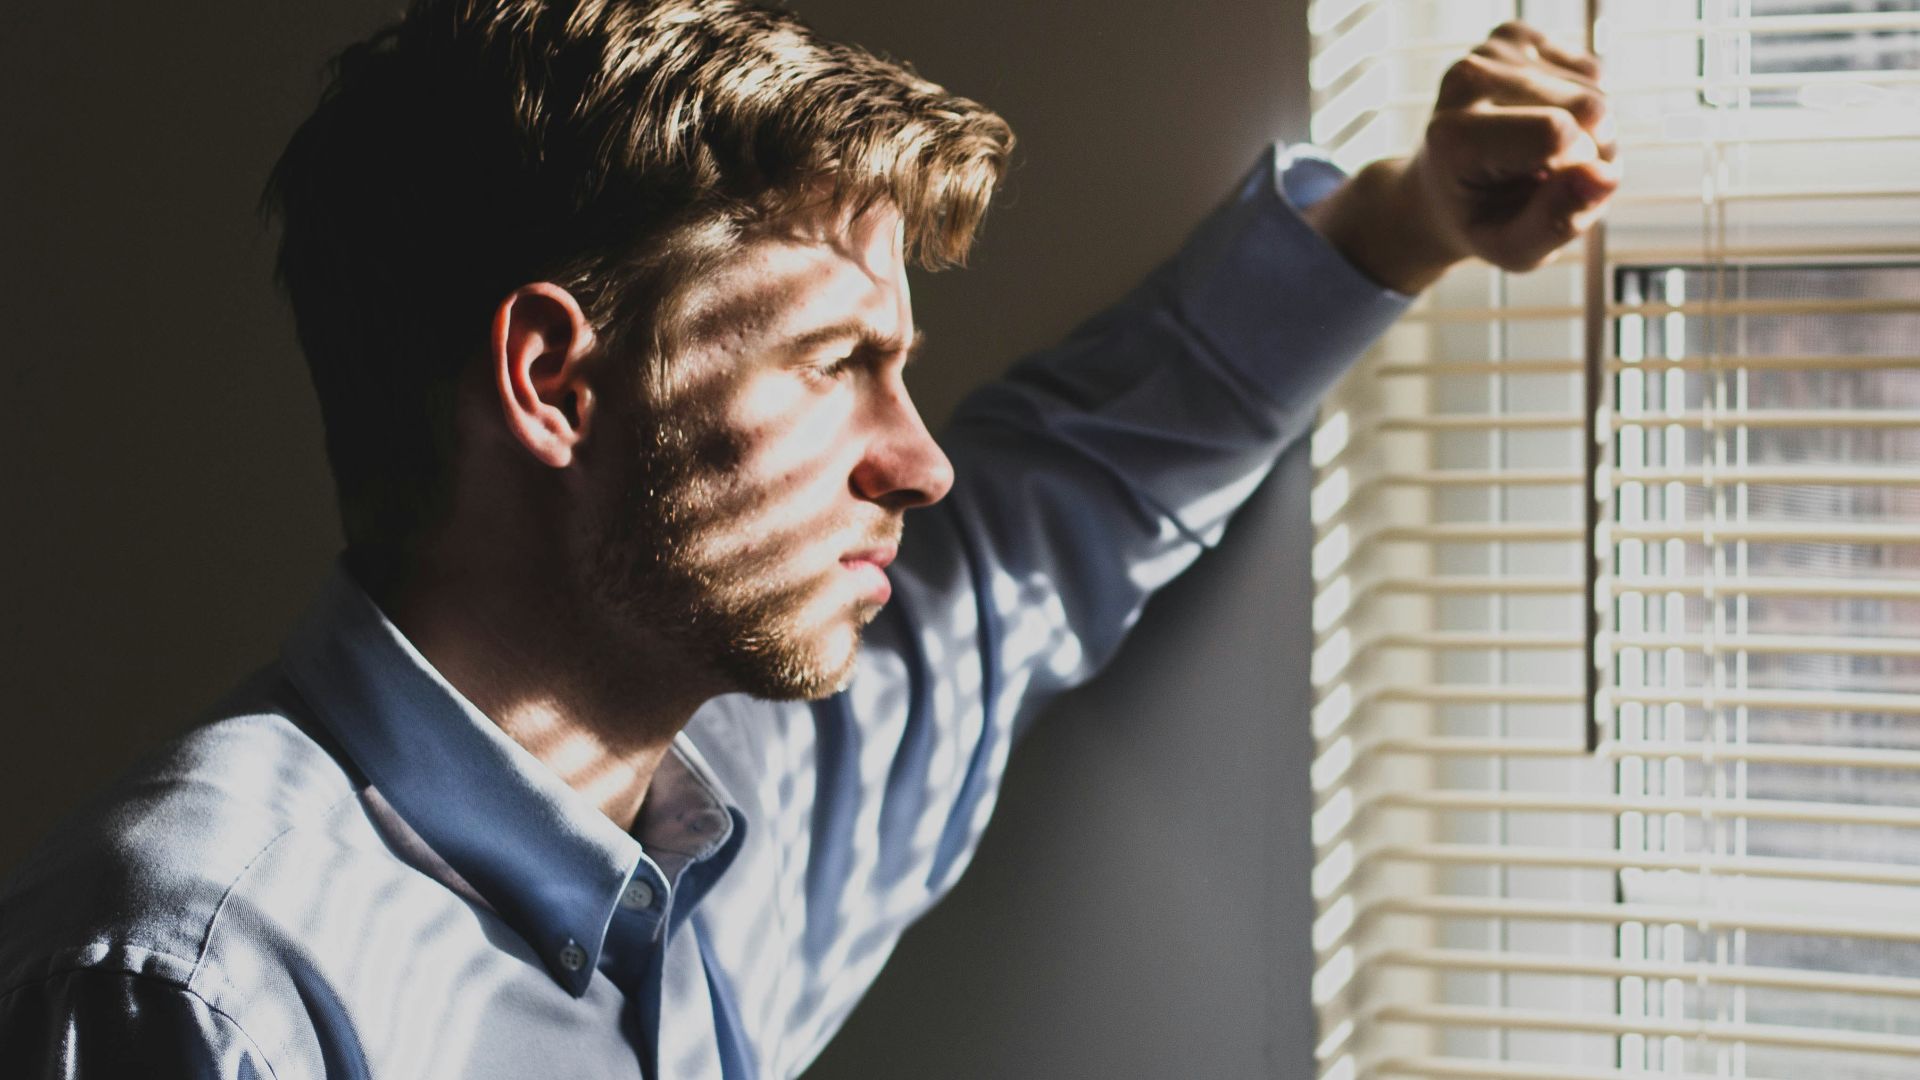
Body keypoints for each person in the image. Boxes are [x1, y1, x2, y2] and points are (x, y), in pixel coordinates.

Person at [0, 2, 1616, 1076]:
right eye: (841, 366)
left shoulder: (747, 809)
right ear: (555, 382)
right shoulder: (191, 974)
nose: (916, 462)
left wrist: (1402, 221)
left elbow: (1054, 519)